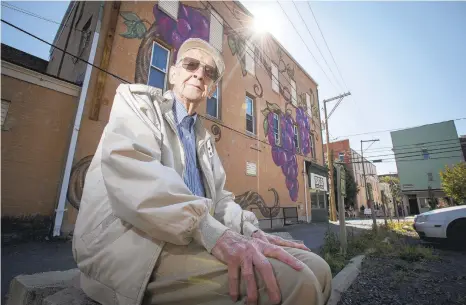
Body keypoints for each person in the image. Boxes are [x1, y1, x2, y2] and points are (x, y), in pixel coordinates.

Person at [73, 38, 331, 305]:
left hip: (187, 242)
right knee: (294, 281)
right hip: (130, 246)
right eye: (191, 64)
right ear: (173, 73)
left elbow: (220, 202)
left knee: (318, 269)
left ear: (212, 89)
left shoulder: (203, 140)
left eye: (209, 71)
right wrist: (209, 231)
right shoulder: (137, 104)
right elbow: (136, 175)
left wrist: (251, 232)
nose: (199, 73)